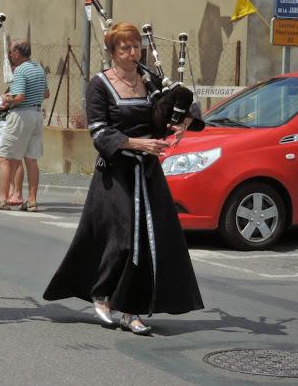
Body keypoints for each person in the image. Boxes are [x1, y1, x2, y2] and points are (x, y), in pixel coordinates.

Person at [43, 23, 203, 335]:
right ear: (112, 53)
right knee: (123, 238)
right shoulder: (99, 85)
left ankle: (132, 311)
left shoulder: (151, 79)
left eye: (136, 46)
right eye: (125, 48)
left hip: (148, 173)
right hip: (115, 172)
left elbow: (179, 109)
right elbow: (100, 131)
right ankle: (101, 294)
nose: (133, 53)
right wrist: (139, 143)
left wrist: (183, 119)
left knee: (148, 241)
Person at [0, 40, 49, 212]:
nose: (10, 55)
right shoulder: (38, 68)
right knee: (31, 159)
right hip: (36, 114)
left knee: (4, 157)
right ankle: (32, 200)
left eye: (11, 52)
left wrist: (5, 98)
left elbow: (19, 97)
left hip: (21, 115)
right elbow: (46, 93)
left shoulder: (20, 70)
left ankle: (2, 199)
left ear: (18, 53)